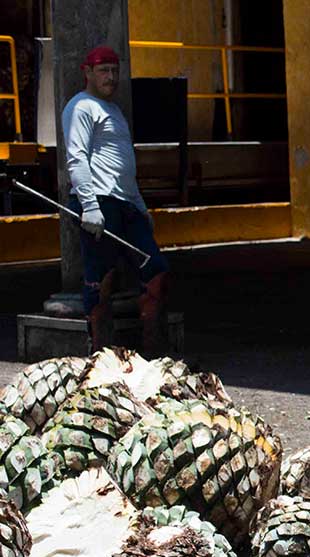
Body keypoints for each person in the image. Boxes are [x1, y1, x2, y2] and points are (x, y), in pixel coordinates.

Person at [61, 45, 170, 354]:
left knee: (156, 271)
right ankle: (100, 354)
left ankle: (153, 355)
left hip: (126, 203)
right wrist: (90, 206)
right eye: (103, 71)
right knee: (101, 280)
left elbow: (123, 166)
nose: (110, 77)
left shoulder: (116, 112)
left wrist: (140, 207)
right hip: (100, 202)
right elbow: (77, 159)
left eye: (114, 71)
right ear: (87, 72)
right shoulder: (81, 107)